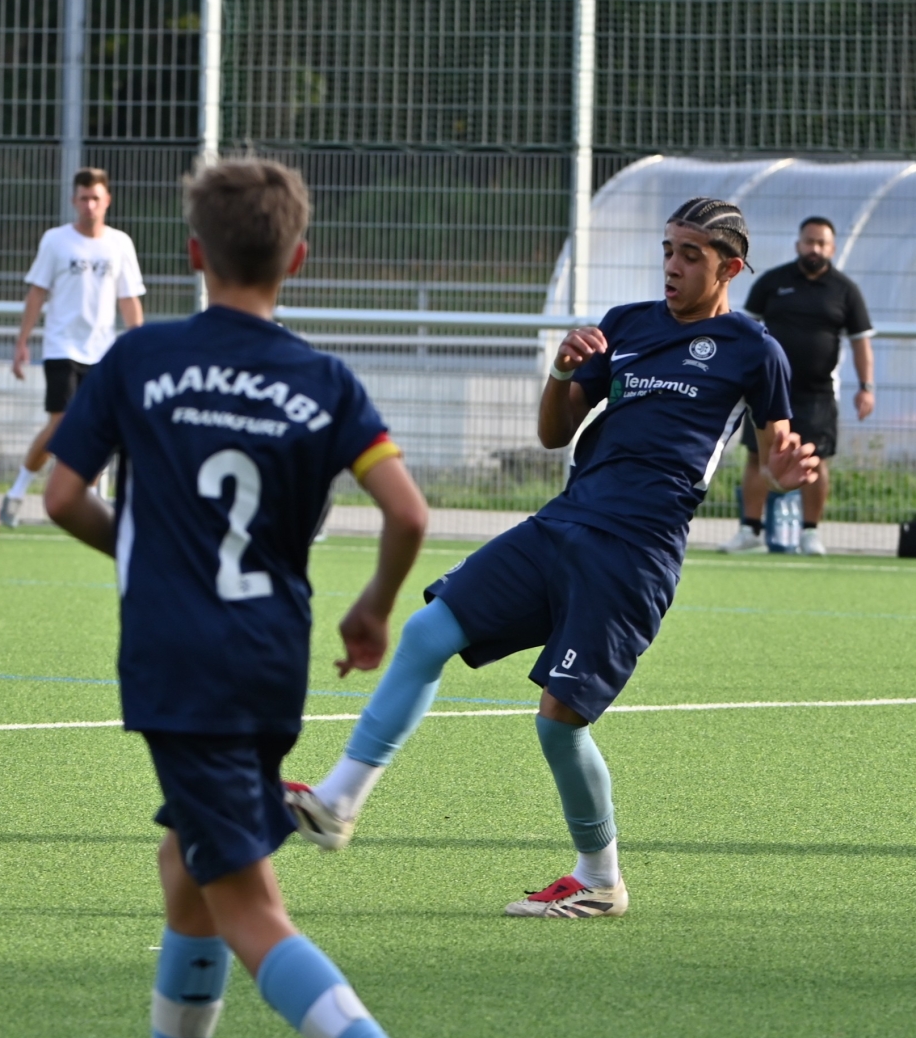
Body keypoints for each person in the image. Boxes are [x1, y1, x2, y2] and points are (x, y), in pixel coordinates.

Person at [41, 157, 471, 1038]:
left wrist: (144, 554)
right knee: (186, 864)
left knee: (247, 902)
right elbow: (409, 512)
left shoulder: (141, 357)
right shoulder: (324, 380)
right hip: (270, 657)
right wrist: (374, 608)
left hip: (178, 662)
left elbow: (59, 494)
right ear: (298, 258)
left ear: (193, 253)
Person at [290, 198, 821, 919]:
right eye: (668, 249)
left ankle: (600, 877)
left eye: (691, 255)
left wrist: (784, 476)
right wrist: (561, 370)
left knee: (558, 722)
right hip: (562, 521)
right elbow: (553, 433)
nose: (672, 265)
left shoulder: (753, 347)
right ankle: (337, 802)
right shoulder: (626, 325)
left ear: (729, 268)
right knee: (426, 632)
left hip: (635, 552)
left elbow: (777, 449)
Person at [720, 215, 874, 556]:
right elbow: (745, 332)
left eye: (821, 243)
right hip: (768, 389)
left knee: (815, 459)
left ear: (832, 248)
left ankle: (810, 533)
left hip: (817, 394)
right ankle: (750, 530)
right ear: (798, 244)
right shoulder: (772, 282)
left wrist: (866, 386)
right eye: (809, 241)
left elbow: (861, 342)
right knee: (757, 455)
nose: (814, 248)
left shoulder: (845, 290)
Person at [0, 167, 145, 522]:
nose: (89, 205)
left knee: (96, 428)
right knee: (61, 425)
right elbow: (37, 293)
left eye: (96, 198)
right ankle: (17, 493)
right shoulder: (56, 240)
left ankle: (88, 500)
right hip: (61, 348)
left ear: (107, 201)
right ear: (73, 201)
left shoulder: (120, 243)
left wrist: (140, 348)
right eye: (83, 198)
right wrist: (22, 342)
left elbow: (129, 299)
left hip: (103, 352)